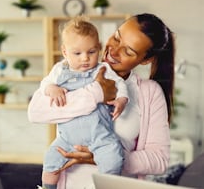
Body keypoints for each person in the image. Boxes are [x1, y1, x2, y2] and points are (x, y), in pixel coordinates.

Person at [28, 13, 174, 189]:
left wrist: (102, 156)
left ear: (145, 60)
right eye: (116, 37)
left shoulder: (149, 93)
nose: (113, 50)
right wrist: (96, 92)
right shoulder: (66, 73)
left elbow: (159, 160)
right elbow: (35, 112)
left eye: (128, 51)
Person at [31, 16, 128, 189]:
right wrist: (51, 88)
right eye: (77, 53)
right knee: (51, 162)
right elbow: (44, 85)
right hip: (67, 139)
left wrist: (122, 98)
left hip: (100, 136)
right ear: (64, 52)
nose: (85, 58)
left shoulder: (103, 69)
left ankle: (109, 185)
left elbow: (119, 84)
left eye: (91, 52)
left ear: (98, 48)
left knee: (113, 157)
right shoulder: (59, 70)